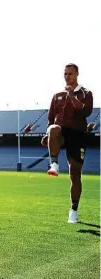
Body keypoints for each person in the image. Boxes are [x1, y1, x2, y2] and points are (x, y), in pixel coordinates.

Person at [41, 63, 93, 223]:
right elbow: (50, 119)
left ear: (77, 74)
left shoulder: (86, 93)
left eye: (70, 74)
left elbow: (86, 111)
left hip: (77, 135)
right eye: (65, 74)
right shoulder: (56, 96)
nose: (67, 77)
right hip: (61, 132)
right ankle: (54, 164)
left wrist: (71, 96)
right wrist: (47, 134)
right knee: (54, 128)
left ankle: (74, 210)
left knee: (75, 174)